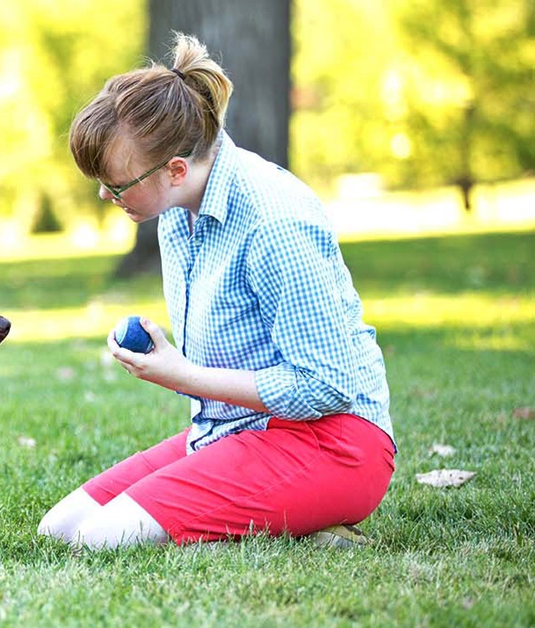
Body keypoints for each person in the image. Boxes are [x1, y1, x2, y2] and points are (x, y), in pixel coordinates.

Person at [37, 33, 395, 549]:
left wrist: (183, 374)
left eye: (115, 185)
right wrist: (177, 366)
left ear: (176, 169)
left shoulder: (274, 223)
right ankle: (288, 520)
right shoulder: (175, 211)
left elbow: (327, 386)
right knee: (61, 531)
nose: (104, 195)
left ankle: (307, 520)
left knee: (104, 539)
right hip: (234, 432)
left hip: (334, 443)